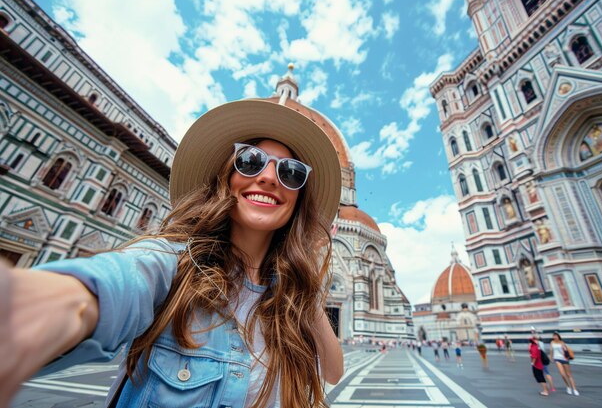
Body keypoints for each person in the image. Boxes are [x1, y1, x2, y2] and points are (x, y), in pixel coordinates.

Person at [0, 99, 345, 408]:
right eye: (250, 161)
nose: (270, 177)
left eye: (290, 173)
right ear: (226, 179)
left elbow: (333, 370)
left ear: (298, 200)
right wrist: (39, 307)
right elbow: (118, 284)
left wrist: (302, 280)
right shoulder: (175, 264)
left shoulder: (287, 295)